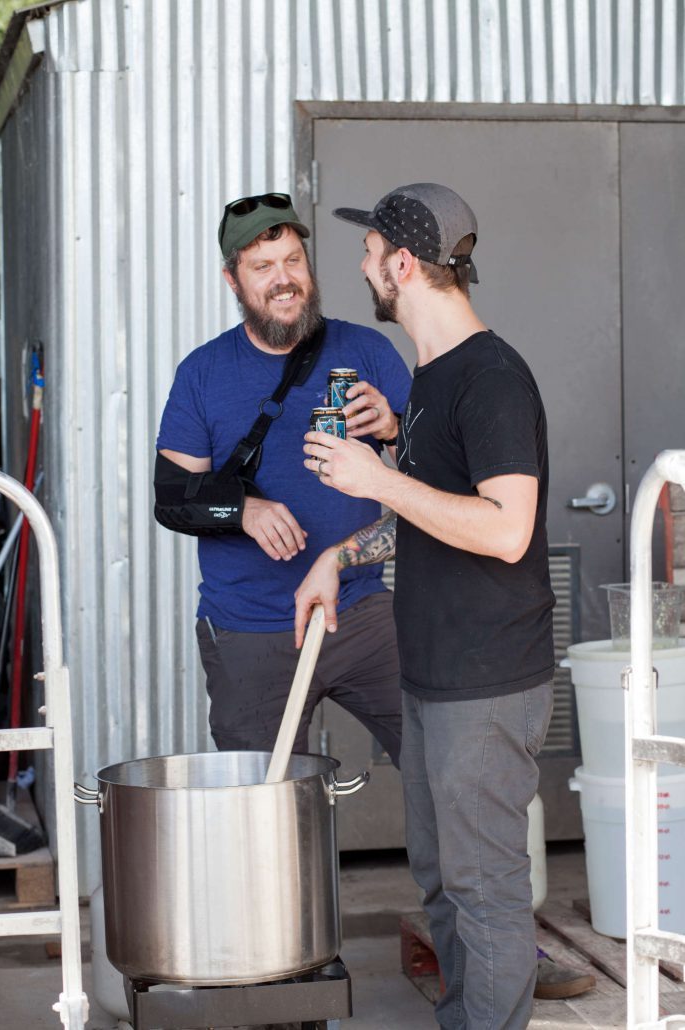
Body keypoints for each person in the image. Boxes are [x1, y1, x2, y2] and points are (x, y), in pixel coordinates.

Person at [295, 182, 562, 1029]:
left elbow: (506, 530)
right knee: (444, 884)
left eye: (370, 255)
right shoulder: (430, 380)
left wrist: (377, 478)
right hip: (436, 681)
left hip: (486, 688)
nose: (362, 268)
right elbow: (423, 520)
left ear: (403, 265)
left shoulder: (489, 378)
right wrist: (342, 553)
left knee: (483, 893)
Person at [155, 191, 411, 767]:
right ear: (233, 280)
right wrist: (243, 510)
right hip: (250, 630)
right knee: (260, 807)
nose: (284, 279)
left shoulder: (367, 350)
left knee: (437, 760)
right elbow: (170, 499)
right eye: (263, 267)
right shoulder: (202, 374)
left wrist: (394, 429)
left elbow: (437, 482)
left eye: (294, 260)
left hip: (362, 611)